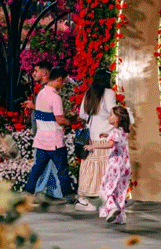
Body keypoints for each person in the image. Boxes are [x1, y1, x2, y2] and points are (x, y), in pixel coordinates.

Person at [23, 66, 74, 201]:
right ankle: (68, 196)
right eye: (63, 82)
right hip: (55, 141)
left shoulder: (41, 94)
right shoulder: (55, 97)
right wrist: (72, 121)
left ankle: (27, 193)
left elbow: (42, 115)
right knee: (62, 170)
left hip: (41, 139)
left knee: (37, 169)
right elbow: (59, 119)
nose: (63, 86)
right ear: (59, 80)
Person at [75, 68, 116, 212]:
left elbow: (82, 114)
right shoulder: (109, 93)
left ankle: (85, 198)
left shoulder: (89, 93)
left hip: (91, 137)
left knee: (90, 168)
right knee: (105, 168)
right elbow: (113, 113)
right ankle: (104, 199)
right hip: (105, 135)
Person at [85, 105, 131, 224]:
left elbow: (110, 144)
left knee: (106, 187)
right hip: (125, 165)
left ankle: (111, 207)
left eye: (111, 115)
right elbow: (116, 141)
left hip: (115, 164)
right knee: (119, 190)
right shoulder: (123, 131)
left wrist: (94, 146)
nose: (109, 117)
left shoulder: (115, 132)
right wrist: (107, 136)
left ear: (117, 119)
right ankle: (120, 216)